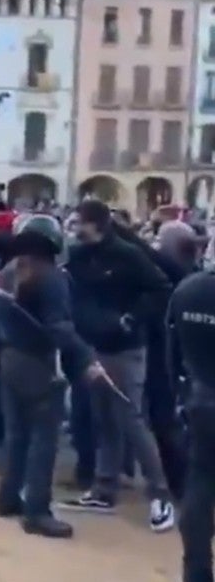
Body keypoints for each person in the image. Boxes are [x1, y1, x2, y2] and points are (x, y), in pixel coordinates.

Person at [60, 199, 175, 532]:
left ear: (94, 223)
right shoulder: (79, 256)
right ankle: (104, 488)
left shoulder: (128, 254)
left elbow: (160, 288)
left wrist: (130, 319)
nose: (73, 226)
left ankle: (160, 496)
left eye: (78, 221)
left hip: (126, 349)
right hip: (94, 348)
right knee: (104, 419)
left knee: (131, 420)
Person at [0, 214, 102, 539]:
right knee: (44, 439)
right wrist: (85, 359)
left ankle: (8, 498)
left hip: (9, 357)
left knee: (16, 434)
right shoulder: (52, 277)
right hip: (39, 362)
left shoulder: (8, 271)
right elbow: (59, 327)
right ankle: (37, 511)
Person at [167, 267, 215, 582]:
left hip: (201, 401)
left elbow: (172, 354)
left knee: (199, 486)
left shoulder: (188, 289)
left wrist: (179, 397)